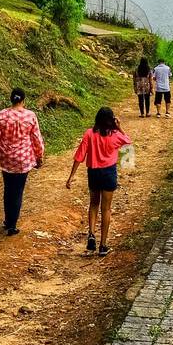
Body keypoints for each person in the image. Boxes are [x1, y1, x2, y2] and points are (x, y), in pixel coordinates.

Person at [66, 107, 130, 257]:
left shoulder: (89, 133)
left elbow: (79, 156)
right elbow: (128, 142)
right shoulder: (115, 135)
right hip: (108, 173)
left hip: (93, 173)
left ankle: (91, 234)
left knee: (93, 204)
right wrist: (119, 127)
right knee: (106, 209)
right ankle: (103, 245)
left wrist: (71, 176)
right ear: (111, 121)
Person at [0, 88, 44, 236]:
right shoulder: (30, 116)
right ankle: (12, 224)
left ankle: (7, 220)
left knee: (8, 189)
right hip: (23, 160)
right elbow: (36, 138)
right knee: (18, 191)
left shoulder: (2, 115)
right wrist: (39, 156)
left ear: (11, 100)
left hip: (6, 159)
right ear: (23, 100)